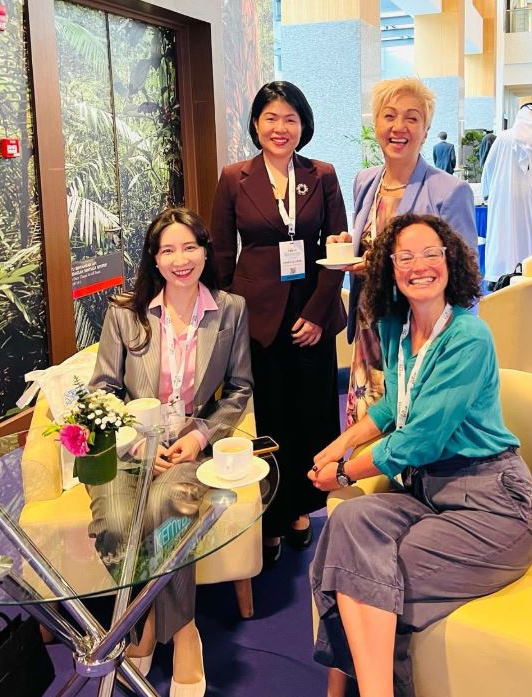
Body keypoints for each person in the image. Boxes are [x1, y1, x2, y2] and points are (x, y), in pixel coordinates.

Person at [308, 213, 532, 697]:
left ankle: (362, 689)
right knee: (348, 526)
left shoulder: (467, 337)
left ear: (450, 261)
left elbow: (420, 439)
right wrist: (340, 443)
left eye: (431, 253)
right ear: (389, 269)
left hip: (492, 502)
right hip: (428, 492)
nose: (420, 266)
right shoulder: (396, 328)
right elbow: (395, 405)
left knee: (362, 571)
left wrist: (345, 473)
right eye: (406, 257)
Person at [89, 207, 253, 697]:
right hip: (128, 450)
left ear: (205, 251)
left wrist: (199, 437)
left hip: (187, 448)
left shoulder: (230, 309)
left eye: (189, 247)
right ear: (154, 259)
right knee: (117, 524)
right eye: (168, 250)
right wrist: (136, 439)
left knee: (169, 511)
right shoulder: (125, 312)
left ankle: (182, 634)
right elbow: (103, 389)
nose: (181, 260)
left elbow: (239, 389)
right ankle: (153, 621)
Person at [210, 81, 347, 566]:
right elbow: (221, 253)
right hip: (257, 316)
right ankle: (269, 513)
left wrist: (318, 312)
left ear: (303, 125)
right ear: (256, 124)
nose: (280, 128)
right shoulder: (235, 177)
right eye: (271, 118)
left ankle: (301, 507)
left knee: (311, 412)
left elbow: (338, 249)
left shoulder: (321, 174)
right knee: (267, 416)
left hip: (312, 310)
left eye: (290, 118)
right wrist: (228, 314)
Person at [326, 77, 476, 427]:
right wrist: (347, 244)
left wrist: (458, 349)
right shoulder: (366, 181)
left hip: (418, 336)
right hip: (369, 330)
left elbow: (465, 279)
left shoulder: (449, 191)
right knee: (366, 430)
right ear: (376, 124)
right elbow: (373, 240)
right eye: (389, 115)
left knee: (410, 433)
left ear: (426, 130)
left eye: (412, 118)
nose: (399, 127)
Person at [482, 104, 532, 285]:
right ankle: (520, 274)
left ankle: (495, 275)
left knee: (499, 232)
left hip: (501, 192)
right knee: (523, 234)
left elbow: (489, 166)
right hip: (527, 195)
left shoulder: (503, 136)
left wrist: (486, 191)